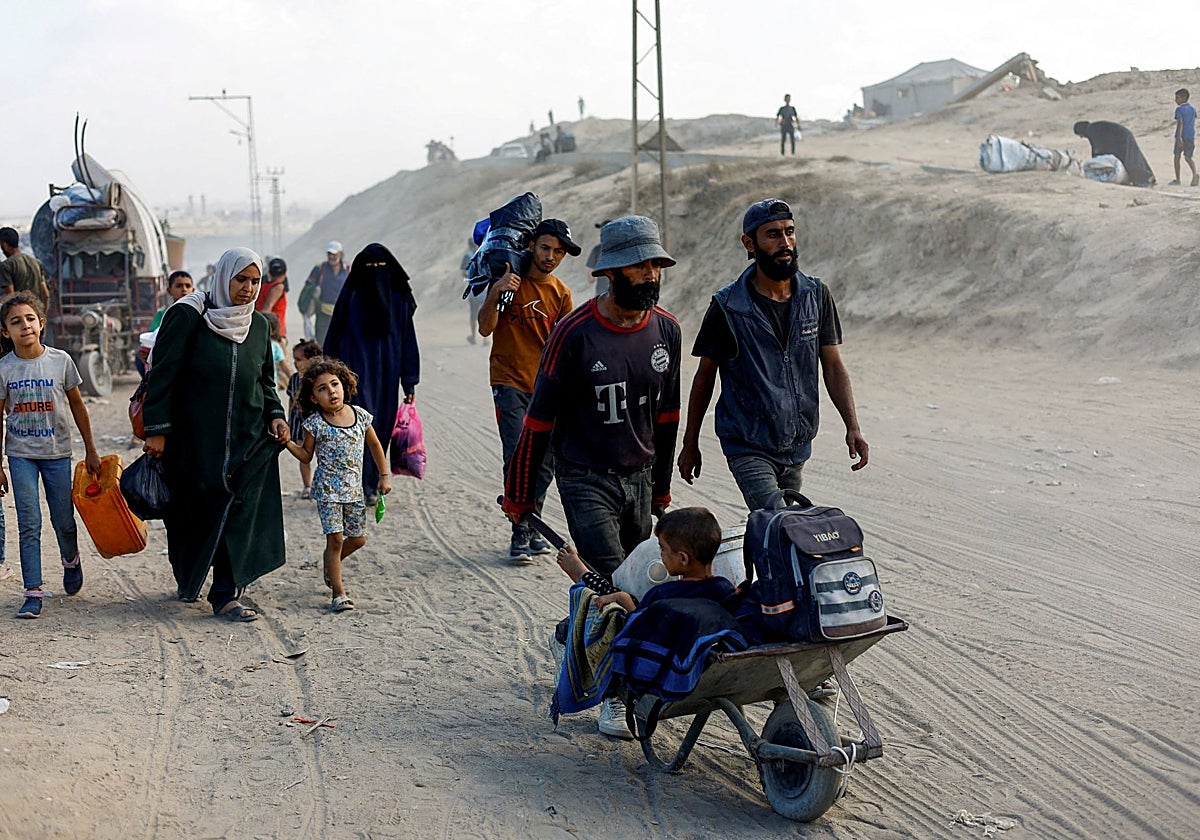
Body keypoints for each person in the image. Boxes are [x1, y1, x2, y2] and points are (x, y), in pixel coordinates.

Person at [502, 215, 681, 577]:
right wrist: (520, 494)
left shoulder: (668, 329)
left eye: (655, 265)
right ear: (611, 272)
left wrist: (660, 488)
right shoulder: (572, 333)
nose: (650, 274)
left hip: (641, 477)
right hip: (586, 479)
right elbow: (538, 420)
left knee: (640, 576)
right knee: (612, 579)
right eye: (638, 265)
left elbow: (667, 417)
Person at [678, 199, 868, 512]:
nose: (785, 243)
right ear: (749, 243)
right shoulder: (728, 307)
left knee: (785, 529)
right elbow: (704, 377)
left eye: (789, 232)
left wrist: (853, 426)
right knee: (777, 522)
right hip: (747, 443)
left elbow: (833, 367)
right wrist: (690, 443)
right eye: (773, 234)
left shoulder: (816, 295)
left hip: (796, 445)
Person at [141, 247, 289, 621]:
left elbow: (265, 381)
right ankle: (189, 573)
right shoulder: (189, 317)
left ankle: (226, 593)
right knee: (189, 512)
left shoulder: (258, 326)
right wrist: (157, 430)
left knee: (237, 510)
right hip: (193, 439)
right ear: (224, 278)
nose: (249, 288)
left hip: (248, 436)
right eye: (241, 279)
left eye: (255, 281)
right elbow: (162, 374)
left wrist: (275, 414)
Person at [554, 506, 735, 737]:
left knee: (612, 607)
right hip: (711, 665)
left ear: (682, 558)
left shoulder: (664, 597)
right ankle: (584, 576)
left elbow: (636, 622)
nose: (660, 555)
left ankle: (579, 582)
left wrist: (623, 599)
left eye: (663, 549)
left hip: (667, 666)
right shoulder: (724, 588)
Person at [478, 219, 579, 563]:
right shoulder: (511, 285)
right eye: (546, 248)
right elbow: (485, 328)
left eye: (559, 252)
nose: (551, 257)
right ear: (532, 245)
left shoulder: (561, 294)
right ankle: (521, 531)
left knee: (546, 462)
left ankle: (529, 525)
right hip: (508, 381)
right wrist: (497, 289)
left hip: (547, 388)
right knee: (516, 456)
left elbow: (568, 347)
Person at [0, 292, 101, 618]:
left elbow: (78, 406)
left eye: (30, 319)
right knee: (29, 522)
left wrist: (91, 449)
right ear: (5, 332)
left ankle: (70, 560)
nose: (24, 326)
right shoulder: (4, 369)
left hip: (58, 453)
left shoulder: (60, 361)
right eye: (16, 322)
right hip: (20, 454)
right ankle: (33, 591)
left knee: (63, 520)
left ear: (41, 324)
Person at [284, 357, 390, 612]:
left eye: (334, 384)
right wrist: (287, 443)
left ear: (344, 385)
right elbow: (306, 456)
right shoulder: (315, 424)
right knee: (336, 541)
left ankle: (331, 564)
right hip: (329, 492)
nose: (331, 391)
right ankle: (338, 592)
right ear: (313, 398)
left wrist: (384, 475)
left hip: (354, 490)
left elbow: (375, 446)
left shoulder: (360, 416)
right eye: (322, 388)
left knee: (359, 539)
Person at [322, 243, 419, 504]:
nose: (376, 273)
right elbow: (334, 335)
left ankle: (372, 480)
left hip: (388, 372)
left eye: (381, 268)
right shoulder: (352, 295)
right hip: (354, 373)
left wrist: (410, 382)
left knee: (382, 426)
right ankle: (360, 484)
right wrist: (328, 374)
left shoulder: (398, 298)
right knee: (358, 425)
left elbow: (408, 340)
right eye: (370, 268)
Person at [287, 339, 323, 498]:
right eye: (294, 359)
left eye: (299, 359)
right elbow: (290, 399)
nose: (295, 363)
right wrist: (289, 418)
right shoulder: (294, 379)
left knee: (321, 454)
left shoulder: (316, 379)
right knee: (303, 455)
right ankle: (307, 486)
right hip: (298, 422)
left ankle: (321, 485)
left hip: (316, 423)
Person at [1073, 120, 1156, 187]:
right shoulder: (1094, 127)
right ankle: (1148, 177)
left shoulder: (1091, 130)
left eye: (1080, 134)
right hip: (1124, 136)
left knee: (1128, 161)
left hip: (1122, 138)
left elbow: (1097, 147)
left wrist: (1096, 163)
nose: (1081, 137)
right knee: (1134, 158)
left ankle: (1143, 180)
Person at [304, 242, 349, 345]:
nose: (331, 257)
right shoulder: (320, 268)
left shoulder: (347, 269)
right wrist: (314, 291)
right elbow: (308, 285)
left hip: (343, 313)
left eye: (334, 254)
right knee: (322, 341)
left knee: (341, 342)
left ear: (341, 254)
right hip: (323, 313)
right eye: (329, 254)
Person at [0, 227, 50, 307]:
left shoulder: (6, 265)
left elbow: (10, 297)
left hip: (19, 314)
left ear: (5, 245)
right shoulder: (36, 262)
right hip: (36, 314)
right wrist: (42, 316)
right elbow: (46, 295)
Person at [460, 237, 487, 346]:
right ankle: (485, 339)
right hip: (485, 290)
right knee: (485, 314)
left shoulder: (468, 257)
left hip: (474, 292)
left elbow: (463, 273)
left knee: (473, 315)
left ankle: (474, 337)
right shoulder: (485, 255)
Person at [1171, 88, 1198, 187]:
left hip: (1182, 136)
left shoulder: (1179, 109)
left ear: (1183, 98)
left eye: (1177, 98)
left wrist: (1179, 137)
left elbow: (1180, 123)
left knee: (1177, 157)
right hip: (1190, 136)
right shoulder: (1192, 108)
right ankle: (1194, 174)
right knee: (1188, 157)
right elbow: (1193, 119)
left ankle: (1178, 180)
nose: (1175, 100)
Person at [257, 257, 289, 339]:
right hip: (274, 333)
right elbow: (267, 307)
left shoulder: (262, 287)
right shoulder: (279, 287)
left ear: (269, 273)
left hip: (268, 331)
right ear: (285, 273)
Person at [264, 312, 292, 392]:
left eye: (265, 328)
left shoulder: (275, 346)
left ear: (273, 331)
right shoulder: (253, 345)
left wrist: (293, 380)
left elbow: (284, 366)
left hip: (271, 386)